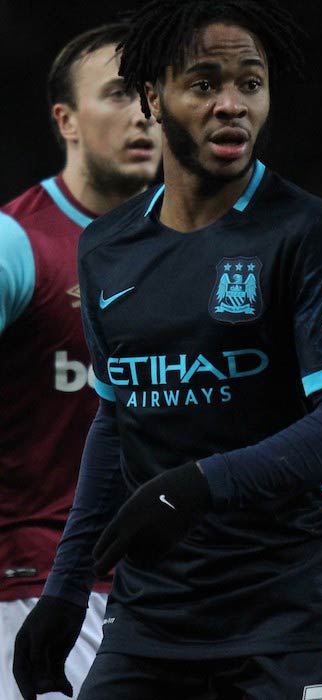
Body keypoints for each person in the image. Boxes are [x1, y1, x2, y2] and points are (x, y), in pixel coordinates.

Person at [13, 1, 322, 698]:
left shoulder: (310, 231)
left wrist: (197, 485)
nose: (232, 105)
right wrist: (66, 590)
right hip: (151, 624)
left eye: (250, 83)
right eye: (204, 83)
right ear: (154, 99)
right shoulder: (106, 248)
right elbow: (117, 421)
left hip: (292, 616)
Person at [0, 22, 161, 700]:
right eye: (120, 94)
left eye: (154, 95)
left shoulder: (209, 248)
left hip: (180, 593)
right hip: (35, 592)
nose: (144, 116)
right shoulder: (17, 242)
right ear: (65, 119)